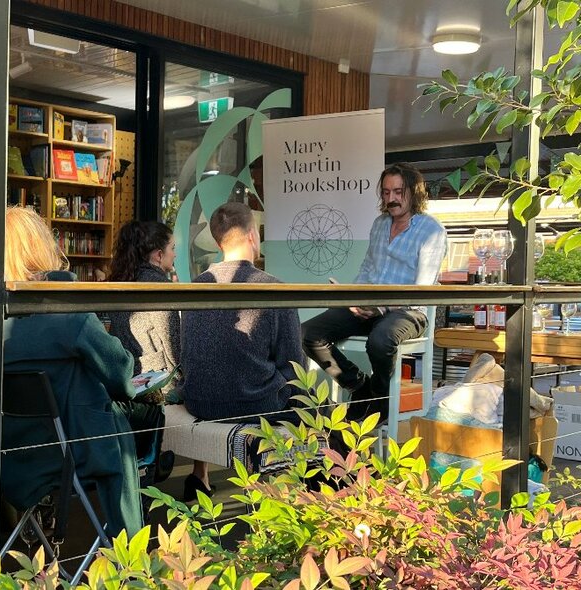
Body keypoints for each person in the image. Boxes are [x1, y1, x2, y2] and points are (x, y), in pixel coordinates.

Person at [0, 207, 146, 536]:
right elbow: (122, 376)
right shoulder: (66, 312)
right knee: (130, 421)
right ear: (41, 249)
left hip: (13, 459)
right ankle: (131, 551)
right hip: (74, 457)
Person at [301, 162, 447, 424]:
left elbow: (422, 290)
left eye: (398, 192)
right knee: (307, 333)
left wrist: (382, 308)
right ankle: (360, 386)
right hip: (369, 307)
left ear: (414, 192)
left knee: (380, 341)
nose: (391, 199)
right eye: (386, 192)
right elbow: (368, 268)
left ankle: (380, 398)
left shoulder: (431, 231)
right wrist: (353, 298)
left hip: (409, 311)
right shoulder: (379, 225)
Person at [181, 201, 305, 501]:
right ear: (252, 235)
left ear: (217, 240)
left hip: (199, 401)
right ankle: (301, 499)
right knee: (317, 403)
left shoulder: (195, 286)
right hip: (252, 405)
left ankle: (200, 477)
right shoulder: (272, 288)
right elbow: (293, 366)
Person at [108, 220, 181, 400]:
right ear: (158, 255)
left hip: (128, 380)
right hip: (158, 385)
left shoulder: (123, 281)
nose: (175, 254)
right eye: (172, 248)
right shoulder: (159, 286)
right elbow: (172, 344)